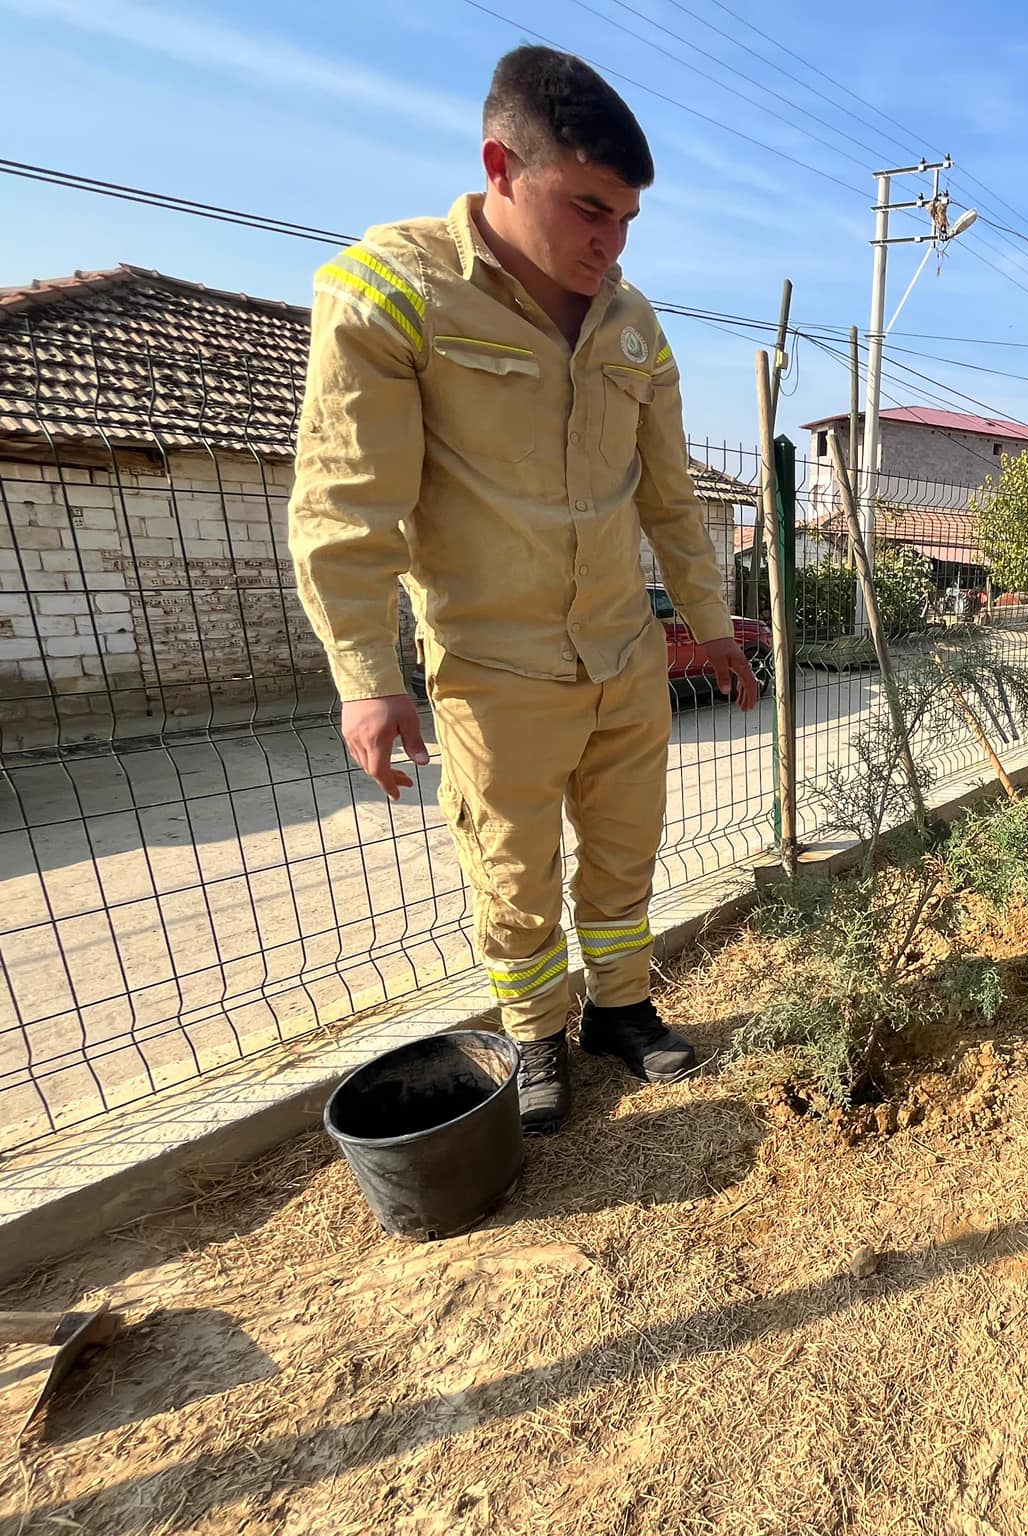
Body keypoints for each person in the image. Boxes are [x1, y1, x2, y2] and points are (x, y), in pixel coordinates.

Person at [290, 47, 758, 1136]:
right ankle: (535, 1034)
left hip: (622, 656)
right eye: (590, 208)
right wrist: (367, 676)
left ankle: (622, 1011)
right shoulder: (393, 290)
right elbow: (344, 501)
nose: (612, 242)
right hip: (493, 668)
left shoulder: (633, 325)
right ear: (502, 165)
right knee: (513, 871)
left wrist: (709, 629)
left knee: (623, 848)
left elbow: (670, 501)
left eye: (629, 218)